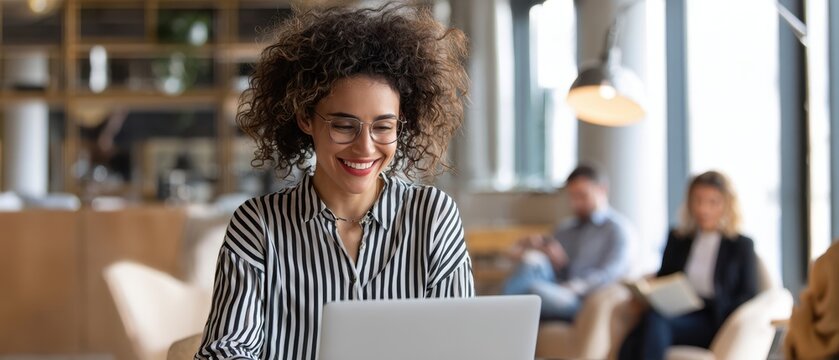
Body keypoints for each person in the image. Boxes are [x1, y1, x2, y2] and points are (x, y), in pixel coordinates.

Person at [195, 5, 473, 359]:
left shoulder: (433, 216)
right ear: (305, 118)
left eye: (383, 127)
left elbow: (462, 345)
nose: (365, 147)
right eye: (344, 125)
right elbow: (224, 351)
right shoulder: (258, 225)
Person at [618, 170, 758, 360]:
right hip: (676, 311)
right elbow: (664, 279)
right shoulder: (678, 239)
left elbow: (748, 294)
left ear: (726, 205)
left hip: (712, 319)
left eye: (712, 202)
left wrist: (719, 308)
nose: (703, 209)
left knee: (652, 325)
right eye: (697, 200)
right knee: (647, 325)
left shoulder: (740, 245)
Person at [502, 165, 634, 321]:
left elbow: (610, 275)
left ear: (602, 190)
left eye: (582, 196)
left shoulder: (618, 231)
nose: (575, 204)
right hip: (556, 287)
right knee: (532, 262)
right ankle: (501, 320)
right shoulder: (565, 229)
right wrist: (555, 260)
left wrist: (574, 287)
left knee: (531, 290)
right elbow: (558, 272)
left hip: (579, 299)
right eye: (571, 197)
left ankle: (497, 320)